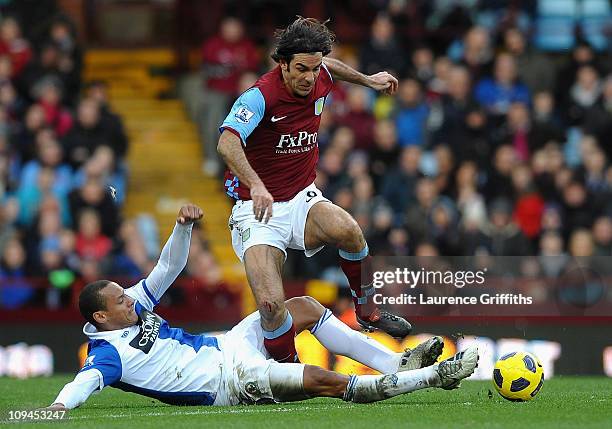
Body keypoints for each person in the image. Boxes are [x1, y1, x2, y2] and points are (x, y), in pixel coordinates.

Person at [45, 204, 478, 410]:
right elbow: (82, 385)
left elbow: (167, 268)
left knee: (303, 307)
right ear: (101, 317)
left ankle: (395, 363)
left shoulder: (134, 305)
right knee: (322, 380)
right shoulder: (107, 354)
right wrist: (56, 409)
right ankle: (431, 377)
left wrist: (182, 228)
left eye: (126, 293)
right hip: (228, 384)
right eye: (120, 299)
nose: (130, 298)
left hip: (227, 344)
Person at [217, 17, 412, 364]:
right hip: (256, 208)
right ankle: (286, 369)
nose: (310, 77)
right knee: (271, 304)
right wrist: (257, 183)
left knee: (349, 231)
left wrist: (368, 81)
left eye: (314, 67)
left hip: (301, 197)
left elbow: (330, 67)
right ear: (283, 64)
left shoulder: (319, 72)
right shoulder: (260, 96)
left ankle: (368, 313)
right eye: (302, 69)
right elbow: (227, 142)